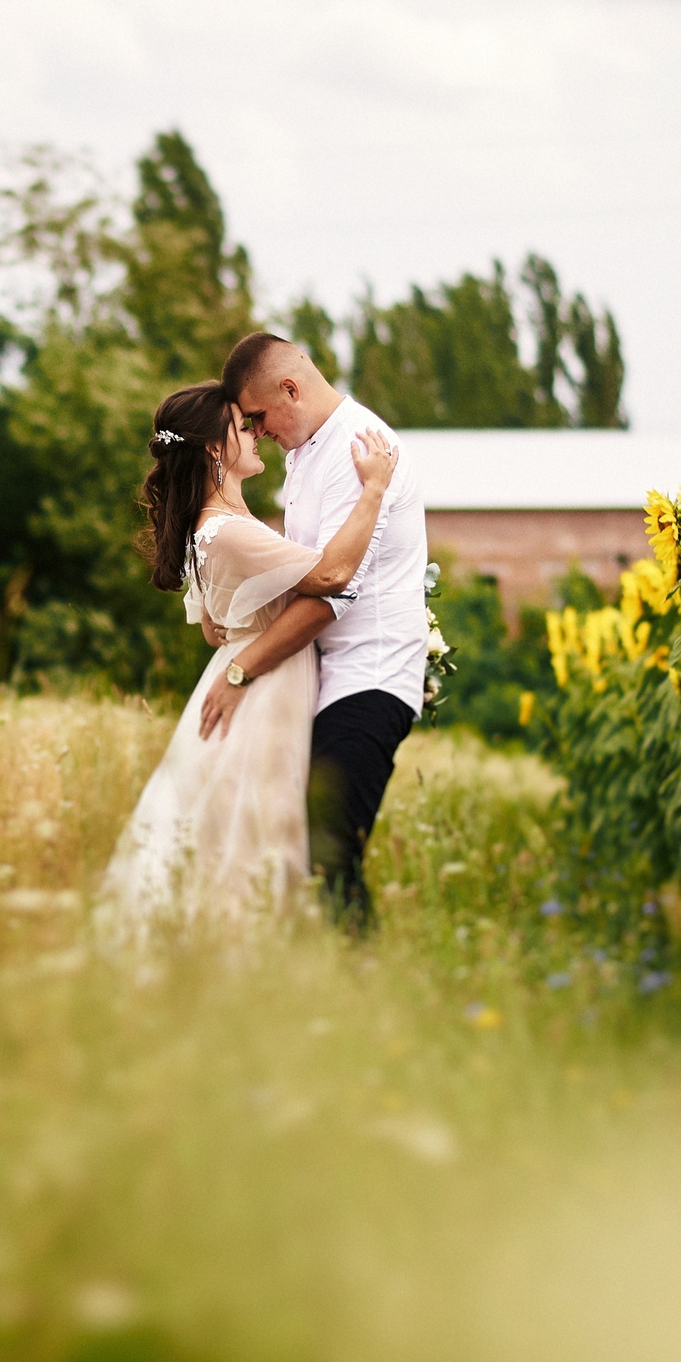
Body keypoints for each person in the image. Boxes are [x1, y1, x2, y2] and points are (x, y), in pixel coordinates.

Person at [100, 380, 397, 925]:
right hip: (264, 685)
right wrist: (374, 491)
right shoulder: (229, 531)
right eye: (243, 426)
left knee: (228, 824)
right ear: (214, 448)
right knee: (258, 830)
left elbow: (215, 630)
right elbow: (331, 574)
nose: (256, 433)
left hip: (244, 669)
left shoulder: (210, 529)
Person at [219, 331, 427, 934]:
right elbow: (300, 576)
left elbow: (332, 591)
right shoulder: (304, 454)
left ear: (290, 388)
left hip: (372, 674)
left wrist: (242, 670)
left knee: (328, 843)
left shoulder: (361, 447)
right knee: (298, 844)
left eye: (258, 417)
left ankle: (363, 987)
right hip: (322, 679)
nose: (256, 431)